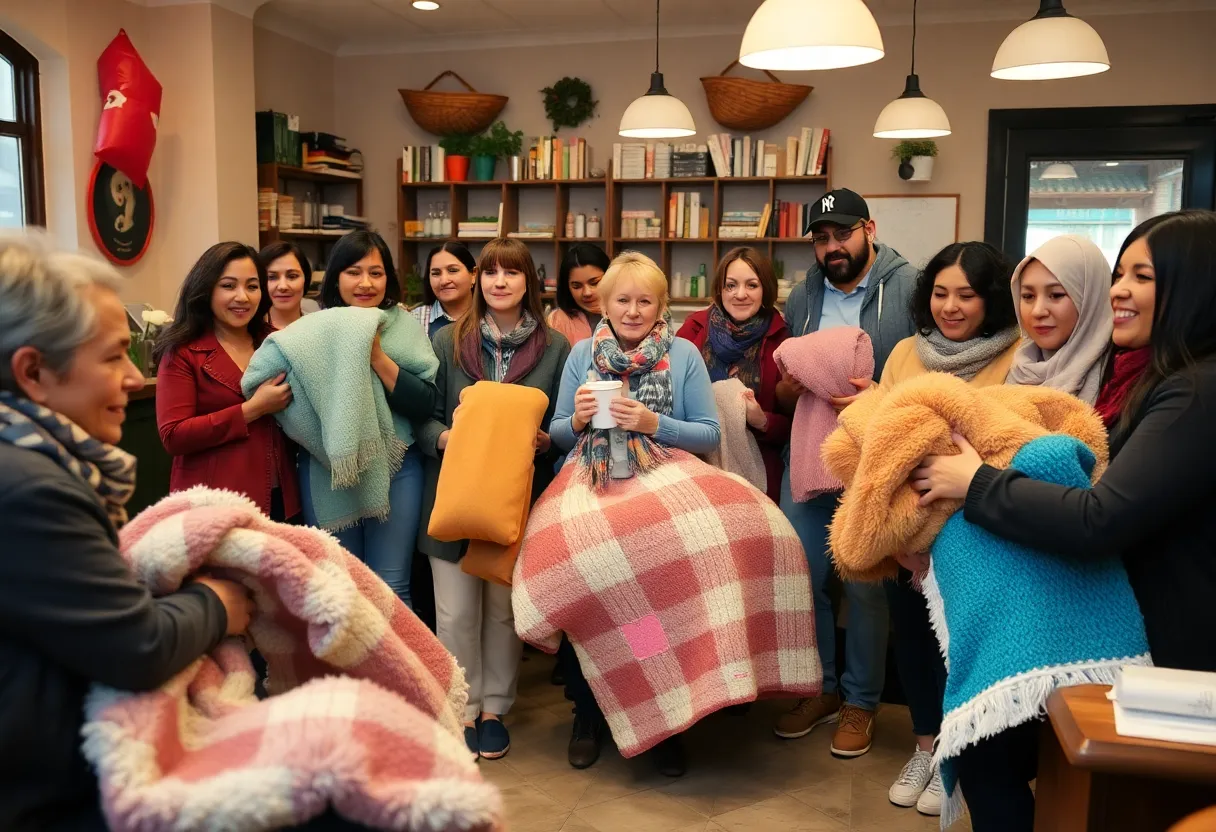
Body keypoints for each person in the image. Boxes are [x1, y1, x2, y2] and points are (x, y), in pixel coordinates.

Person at [910, 210, 1216, 830]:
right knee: (998, 760)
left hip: (1161, 650)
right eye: (1120, 273)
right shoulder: (1152, 379)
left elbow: (1099, 516)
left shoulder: (1193, 392)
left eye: (1144, 276)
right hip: (1109, 626)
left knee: (997, 759)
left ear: (1195, 286)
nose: (1121, 290)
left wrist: (975, 483)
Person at [0, 232, 252, 832]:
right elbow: (136, 648)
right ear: (34, 372)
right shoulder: (33, 492)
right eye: (113, 356)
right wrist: (219, 602)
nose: (134, 380)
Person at [550, 251, 720, 776]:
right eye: (622, 299)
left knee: (652, 597)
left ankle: (660, 721)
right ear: (604, 302)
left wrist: (653, 421)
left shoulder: (685, 353)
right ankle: (589, 710)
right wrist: (576, 419)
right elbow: (555, 433)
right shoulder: (582, 354)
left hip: (661, 485)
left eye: (645, 300)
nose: (632, 310)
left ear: (661, 304)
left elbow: (709, 434)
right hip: (592, 481)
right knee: (588, 589)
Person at [772, 188, 918, 758]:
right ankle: (821, 689)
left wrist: (879, 397)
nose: (832, 246)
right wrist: (790, 388)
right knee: (801, 573)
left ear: (869, 230)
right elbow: (786, 379)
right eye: (822, 238)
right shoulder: (803, 294)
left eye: (843, 234)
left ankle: (861, 700)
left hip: (873, 454)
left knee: (865, 581)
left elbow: (922, 368)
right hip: (807, 453)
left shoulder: (908, 287)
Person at [876, 241, 1020, 817]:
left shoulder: (1017, 355)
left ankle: (958, 760)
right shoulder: (905, 353)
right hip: (908, 529)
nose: (951, 306)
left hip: (979, 533)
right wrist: (901, 538)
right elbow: (877, 440)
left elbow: (1008, 445)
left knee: (964, 649)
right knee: (911, 637)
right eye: (940, 293)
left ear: (990, 300)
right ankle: (926, 748)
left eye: (967, 295)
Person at [417, 237, 571, 762]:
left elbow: (562, 425)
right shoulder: (445, 342)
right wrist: (447, 436)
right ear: (479, 281)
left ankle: (494, 710)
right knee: (455, 612)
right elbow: (423, 416)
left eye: (511, 273)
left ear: (530, 282)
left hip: (516, 499)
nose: (498, 282)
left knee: (504, 612)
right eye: (490, 273)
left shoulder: (556, 348)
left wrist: (546, 440)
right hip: (454, 495)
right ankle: (462, 706)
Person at [295, 230, 436, 610]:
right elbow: (292, 405)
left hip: (398, 466)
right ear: (336, 277)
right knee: (340, 586)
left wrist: (375, 355)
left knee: (390, 586)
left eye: (376, 273)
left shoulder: (402, 326)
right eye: (354, 272)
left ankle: (394, 671)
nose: (365, 283)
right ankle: (348, 671)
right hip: (329, 467)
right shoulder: (311, 329)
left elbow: (424, 403)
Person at [156, 242, 300, 521]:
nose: (242, 297)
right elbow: (173, 435)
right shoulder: (183, 352)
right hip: (213, 502)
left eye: (252, 286)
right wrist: (253, 409)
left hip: (281, 494)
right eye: (228, 286)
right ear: (206, 289)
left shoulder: (276, 342)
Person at [677, 246, 790, 502]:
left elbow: (793, 425)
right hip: (697, 462)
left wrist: (762, 420)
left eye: (752, 285)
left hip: (759, 468)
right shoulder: (694, 328)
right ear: (720, 289)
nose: (740, 294)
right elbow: (670, 396)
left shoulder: (783, 339)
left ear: (766, 290)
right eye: (731, 286)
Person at [1007, 234, 1114, 403]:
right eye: (1028, 296)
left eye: (1056, 295)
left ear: (1090, 298)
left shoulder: (1120, 377)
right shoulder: (1016, 366)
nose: (1038, 311)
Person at [547, 242, 610, 346]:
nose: (587, 292)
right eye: (577, 286)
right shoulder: (557, 322)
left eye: (594, 283)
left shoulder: (628, 315)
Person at [412, 242, 477, 338]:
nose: (444, 281)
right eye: (436, 273)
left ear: (473, 274)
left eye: (453, 270)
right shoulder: (414, 319)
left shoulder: (490, 317)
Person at [258, 241, 317, 330]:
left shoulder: (319, 328)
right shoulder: (249, 332)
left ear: (306, 278)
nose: (283, 286)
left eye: (292, 276)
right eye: (272, 277)